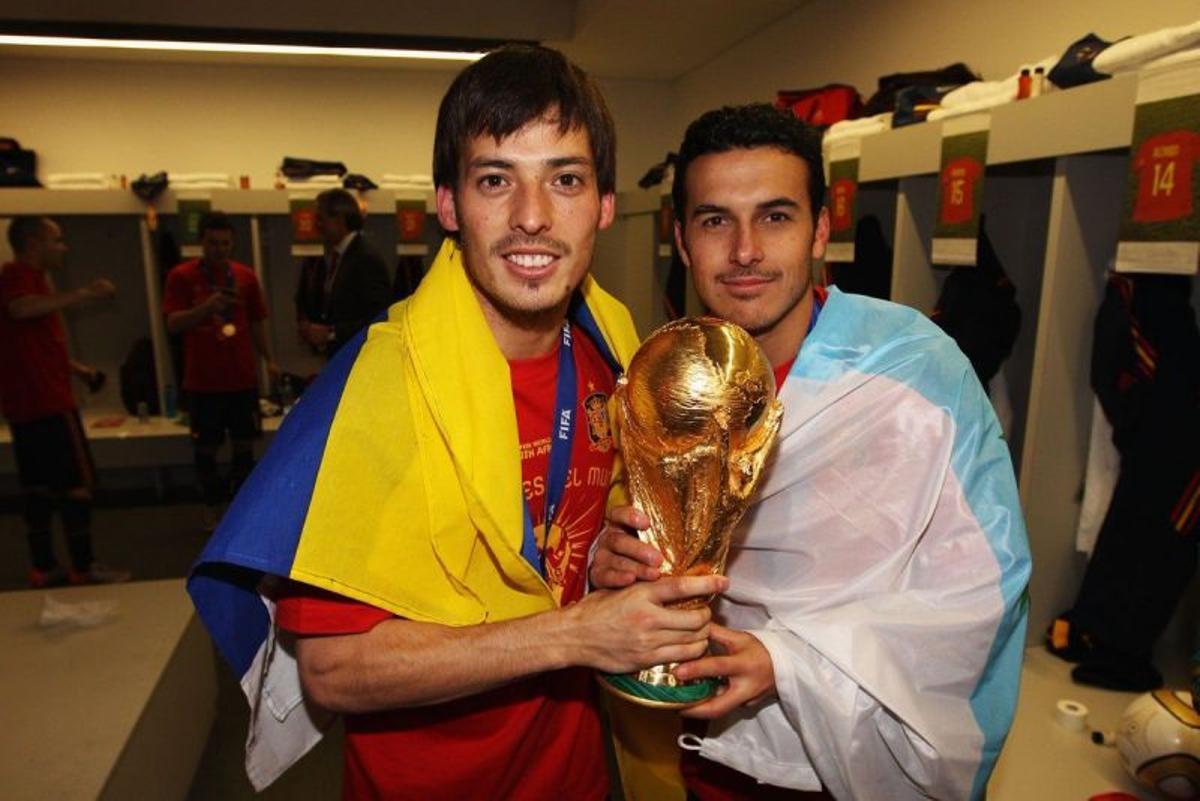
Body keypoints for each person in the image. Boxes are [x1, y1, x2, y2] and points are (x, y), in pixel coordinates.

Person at [188, 44, 723, 800]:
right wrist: (578, 632)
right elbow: (333, 670)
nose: (532, 218)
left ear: (605, 203)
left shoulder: (613, 346)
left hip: (574, 774)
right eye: (495, 180)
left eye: (564, 180)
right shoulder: (380, 391)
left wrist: (605, 555)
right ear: (447, 204)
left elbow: (556, 534)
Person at [590, 104, 1032, 801]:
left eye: (775, 216)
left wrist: (789, 662)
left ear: (822, 227)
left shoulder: (912, 374)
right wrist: (607, 565)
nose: (744, 251)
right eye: (714, 220)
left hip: (863, 757)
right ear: (680, 238)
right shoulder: (668, 378)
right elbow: (635, 546)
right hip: (712, 750)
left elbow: (983, 588)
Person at [0, 216, 129, 587]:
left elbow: (30, 340)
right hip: (46, 404)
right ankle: (83, 567)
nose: (63, 247)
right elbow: (20, 310)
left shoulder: (36, 283)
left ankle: (45, 567)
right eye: (56, 240)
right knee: (75, 487)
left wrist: (78, 370)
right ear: (33, 243)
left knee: (39, 488)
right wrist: (86, 293)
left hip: (31, 404)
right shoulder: (15, 276)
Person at [162, 212, 279, 525]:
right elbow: (172, 324)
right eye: (213, 243)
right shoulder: (181, 276)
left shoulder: (246, 277)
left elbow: (257, 322)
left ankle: (239, 515)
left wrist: (269, 360)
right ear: (201, 242)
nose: (220, 249)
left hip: (241, 379)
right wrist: (207, 307)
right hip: (202, 382)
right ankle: (213, 510)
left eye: (226, 243)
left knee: (244, 448)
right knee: (206, 451)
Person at [296, 188, 392, 357]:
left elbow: (379, 317)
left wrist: (331, 332)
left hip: (358, 358)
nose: (317, 226)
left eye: (321, 219)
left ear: (339, 219)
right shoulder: (340, 256)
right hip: (344, 355)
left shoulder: (365, 258)